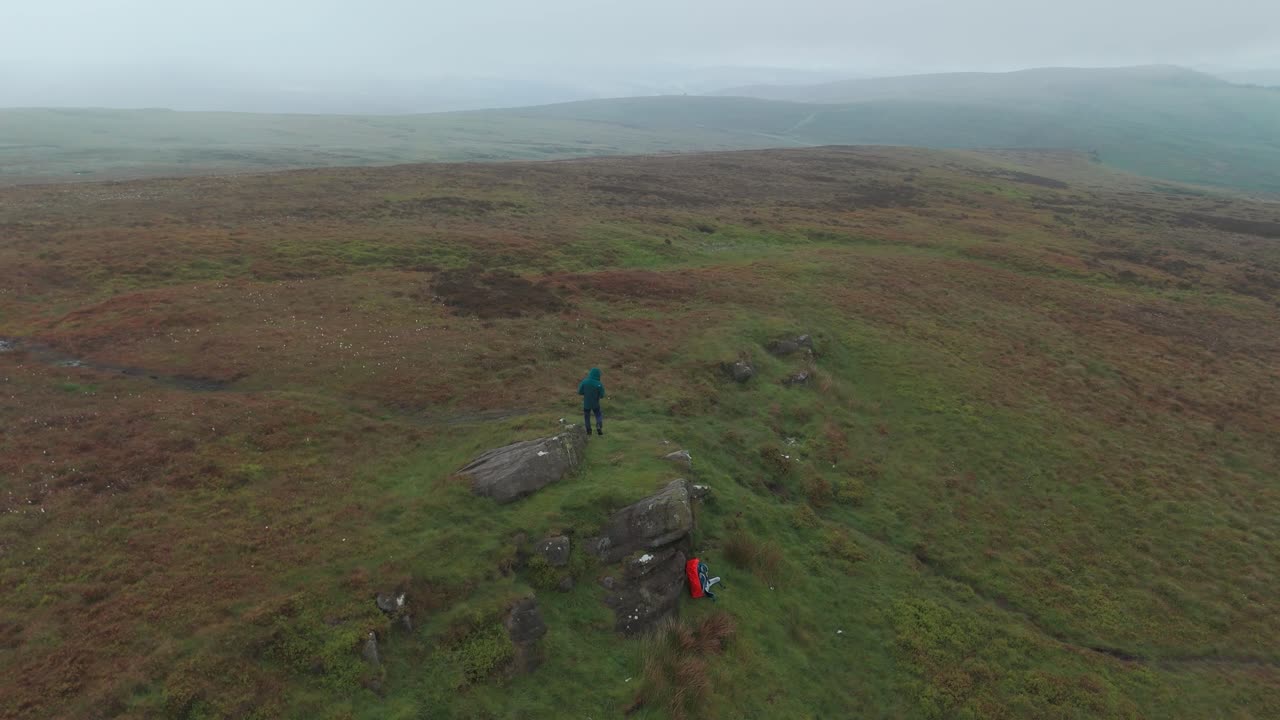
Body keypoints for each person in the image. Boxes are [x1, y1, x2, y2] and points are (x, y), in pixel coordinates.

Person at [577, 367, 605, 436]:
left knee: (587, 417)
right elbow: (602, 395)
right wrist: (598, 396)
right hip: (596, 403)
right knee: (598, 415)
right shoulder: (599, 384)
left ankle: (589, 431)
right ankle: (599, 426)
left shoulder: (585, 382)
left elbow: (579, 392)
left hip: (586, 403)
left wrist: (585, 393)